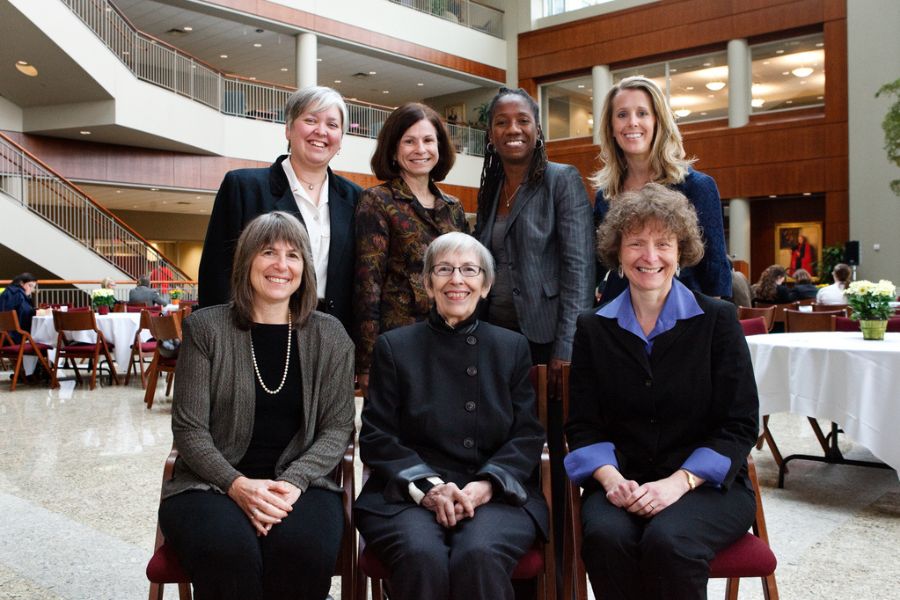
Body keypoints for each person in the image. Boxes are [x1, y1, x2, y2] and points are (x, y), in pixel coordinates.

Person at [564, 184, 759, 600]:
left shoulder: (718, 321)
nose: (649, 257)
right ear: (617, 252)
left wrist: (678, 483)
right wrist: (610, 479)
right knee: (605, 537)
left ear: (681, 251)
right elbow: (583, 424)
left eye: (662, 244)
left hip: (706, 486)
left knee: (669, 541)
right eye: (635, 243)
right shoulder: (592, 328)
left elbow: (739, 425)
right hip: (622, 480)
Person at [159, 211, 355, 600]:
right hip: (209, 483)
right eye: (268, 252)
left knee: (302, 549)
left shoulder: (329, 334)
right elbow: (189, 429)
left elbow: (338, 428)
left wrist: (293, 482)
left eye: (293, 255)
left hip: (303, 483)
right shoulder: (206, 328)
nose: (281, 265)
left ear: (305, 268)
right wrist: (237, 485)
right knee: (227, 551)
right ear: (247, 260)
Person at [355, 232, 549, 600]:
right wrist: (429, 488)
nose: (456, 279)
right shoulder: (394, 347)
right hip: (407, 494)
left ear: (486, 285)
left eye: (469, 270)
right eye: (444, 269)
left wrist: (487, 484)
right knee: (421, 555)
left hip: (495, 491)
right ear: (428, 284)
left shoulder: (512, 347)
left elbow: (527, 433)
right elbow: (377, 436)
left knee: (479, 554)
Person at [199, 86, 361, 334]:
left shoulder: (356, 198)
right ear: (288, 128)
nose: (321, 131)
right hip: (255, 330)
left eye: (332, 124)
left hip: (331, 339)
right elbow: (216, 275)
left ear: (341, 138)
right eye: (310, 120)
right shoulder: (243, 188)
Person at [474, 87, 595, 381]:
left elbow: (580, 271)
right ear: (491, 134)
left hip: (546, 339)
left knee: (546, 425)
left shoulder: (562, 179)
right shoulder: (491, 187)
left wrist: (566, 348)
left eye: (523, 120)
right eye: (501, 122)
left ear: (537, 129)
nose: (512, 129)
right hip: (495, 335)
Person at [353, 102, 468, 397]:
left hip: (452, 338)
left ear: (439, 147)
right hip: (399, 344)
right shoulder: (377, 201)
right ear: (393, 149)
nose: (420, 149)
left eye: (428, 140)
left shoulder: (454, 208)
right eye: (409, 141)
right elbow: (369, 285)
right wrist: (367, 363)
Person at [591, 76, 731, 301]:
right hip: (619, 313)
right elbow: (596, 265)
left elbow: (715, 272)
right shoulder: (606, 194)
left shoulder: (697, 187)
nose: (632, 122)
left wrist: (709, 329)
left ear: (658, 120)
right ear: (611, 127)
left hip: (684, 314)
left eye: (642, 113)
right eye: (622, 114)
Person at [0, 272, 38, 342]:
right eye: (30, 286)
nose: (32, 290)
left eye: (33, 287)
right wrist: (37, 312)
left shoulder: (8, 291)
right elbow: (25, 312)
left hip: (5, 335)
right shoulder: (18, 294)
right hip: (15, 336)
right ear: (21, 283)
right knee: (40, 336)